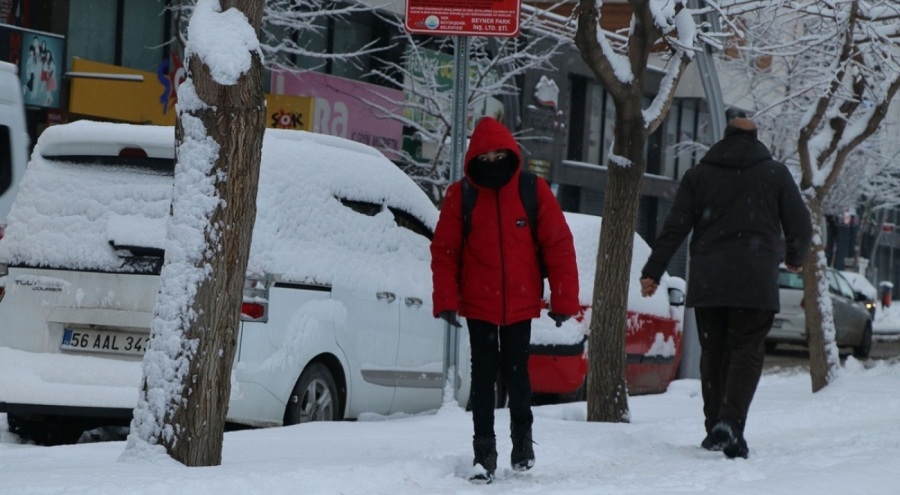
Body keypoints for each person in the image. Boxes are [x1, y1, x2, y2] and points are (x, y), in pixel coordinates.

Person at [640, 117, 812, 459]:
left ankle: (714, 427)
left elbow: (675, 226)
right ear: (756, 138)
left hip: (710, 279)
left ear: (725, 137)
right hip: (755, 277)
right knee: (746, 351)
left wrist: (653, 270)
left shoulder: (699, 175)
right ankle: (731, 423)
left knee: (714, 354)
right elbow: (800, 224)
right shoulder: (775, 174)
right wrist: (795, 257)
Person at [431, 116, 580, 483]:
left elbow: (558, 244)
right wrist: (447, 299)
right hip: (479, 302)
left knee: (517, 375)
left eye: (500, 155)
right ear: (474, 158)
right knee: (483, 379)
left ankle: (522, 443)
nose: (494, 162)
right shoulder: (461, 195)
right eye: (487, 156)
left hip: (521, 301)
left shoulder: (532, 189)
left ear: (511, 154)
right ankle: (484, 454)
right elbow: (445, 252)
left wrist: (563, 300)